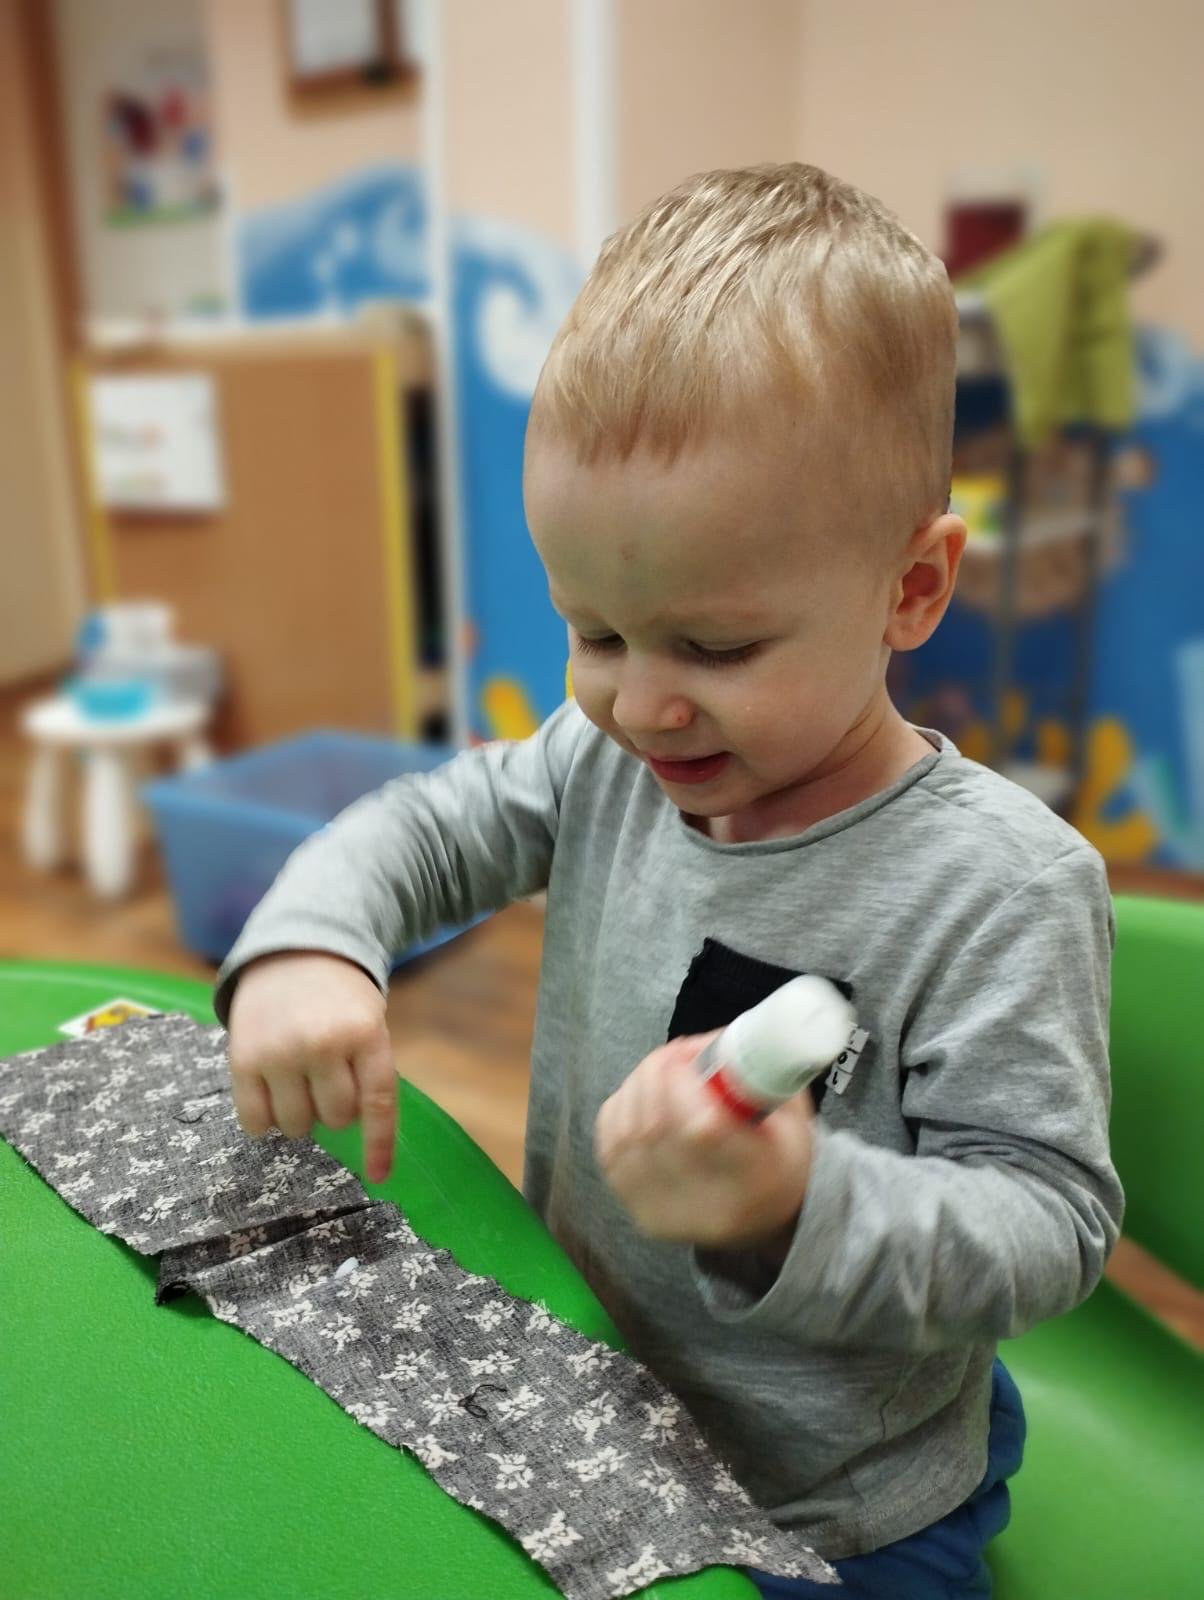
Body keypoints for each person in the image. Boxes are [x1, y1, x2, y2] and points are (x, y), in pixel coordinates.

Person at [216, 164, 1121, 1597]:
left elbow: (1048, 1223)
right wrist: (311, 944)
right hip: (603, 1405)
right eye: (596, 632)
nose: (640, 706)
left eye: (714, 647)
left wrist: (794, 1206)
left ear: (912, 589)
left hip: (838, 1501)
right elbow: (423, 831)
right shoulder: (607, 759)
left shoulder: (1004, 889)